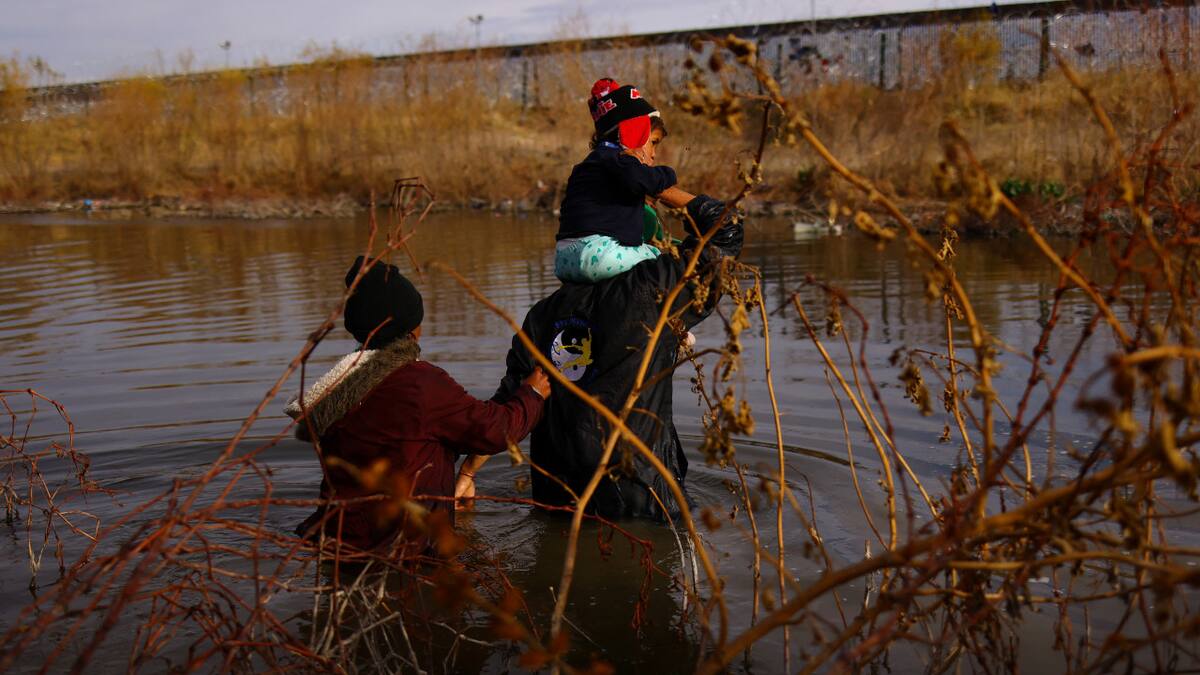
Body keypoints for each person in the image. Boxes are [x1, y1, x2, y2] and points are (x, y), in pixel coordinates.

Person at [456, 194, 744, 521]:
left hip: (559, 499)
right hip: (641, 499)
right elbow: (725, 231)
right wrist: (656, 181)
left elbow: (511, 405)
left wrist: (467, 473)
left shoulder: (541, 315)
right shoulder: (650, 293)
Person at [286, 256, 551, 552]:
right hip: (403, 552)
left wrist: (459, 479)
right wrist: (532, 394)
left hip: (336, 546)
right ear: (412, 329)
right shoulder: (421, 383)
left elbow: (414, 439)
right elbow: (494, 429)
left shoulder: (338, 386)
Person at [554, 78, 696, 284]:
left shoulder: (589, 166)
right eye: (653, 143)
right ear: (633, 134)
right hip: (599, 254)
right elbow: (645, 180)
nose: (654, 154)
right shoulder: (619, 160)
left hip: (564, 259)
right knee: (664, 260)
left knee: (648, 250)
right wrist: (667, 174)